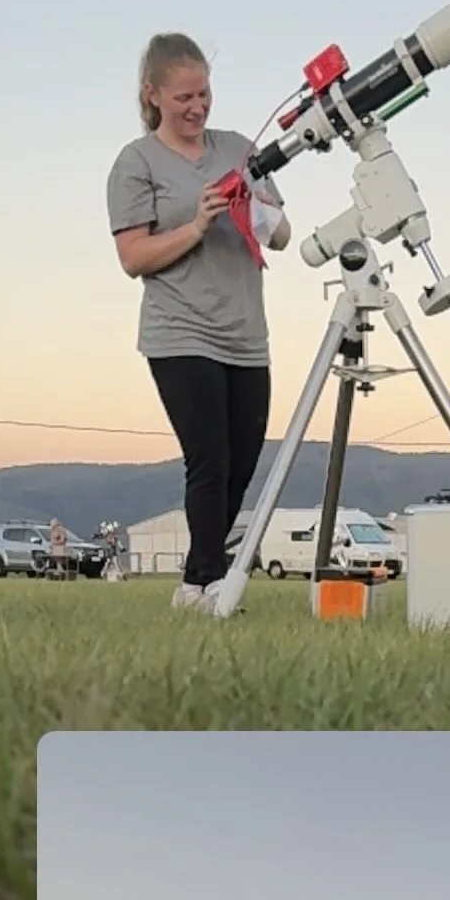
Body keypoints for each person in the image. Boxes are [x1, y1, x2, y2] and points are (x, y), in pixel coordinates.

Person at [106, 32, 291, 610]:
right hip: (181, 332)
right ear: (153, 95)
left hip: (245, 333)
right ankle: (203, 583)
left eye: (204, 94)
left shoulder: (237, 147)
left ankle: (202, 578)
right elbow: (134, 258)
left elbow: (282, 235)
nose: (197, 107)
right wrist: (198, 222)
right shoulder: (136, 163)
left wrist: (255, 207)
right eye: (184, 96)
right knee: (208, 458)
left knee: (242, 460)